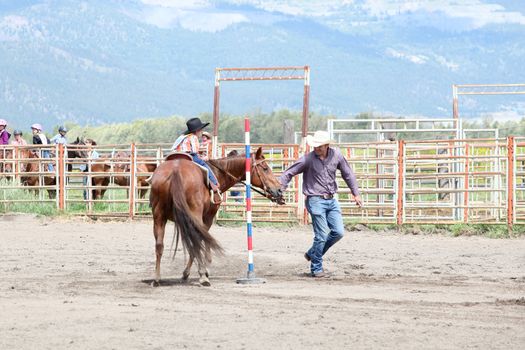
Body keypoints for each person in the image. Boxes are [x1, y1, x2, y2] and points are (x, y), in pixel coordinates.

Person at [279, 130, 363, 278]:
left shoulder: (336, 155)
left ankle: (313, 253)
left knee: (338, 232)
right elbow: (289, 172)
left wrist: (356, 193)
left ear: (327, 145)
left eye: (319, 146)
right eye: (315, 146)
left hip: (331, 199)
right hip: (315, 199)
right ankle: (316, 267)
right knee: (321, 235)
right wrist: (280, 188)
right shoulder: (308, 159)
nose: (316, 148)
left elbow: (348, 174)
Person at [171, 117, 221, 203]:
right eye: (201, 130)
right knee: (204, 165)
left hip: (176, 156)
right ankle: (215, 184)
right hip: (188, 156)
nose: (201, 132)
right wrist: (202, 158)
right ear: (197, 131)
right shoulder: (193, 137)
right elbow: (194, 151)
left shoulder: (182, 137)